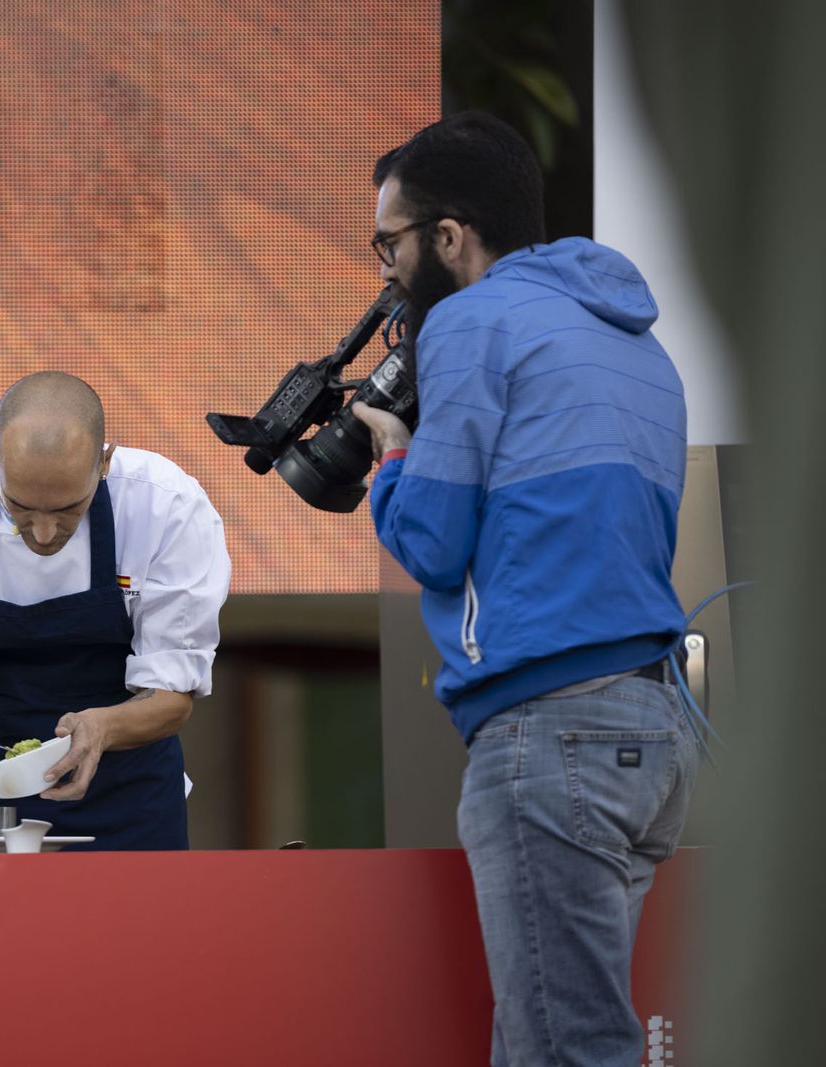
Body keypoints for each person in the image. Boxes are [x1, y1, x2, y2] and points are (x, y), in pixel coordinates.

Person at [350, 112, 697, 1066]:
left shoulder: (469, 320)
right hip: (649, 732)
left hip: (550, 735)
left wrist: (390, 456)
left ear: (449, 237)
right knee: (542, 1037)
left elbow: (433, 535)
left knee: (566, 1046)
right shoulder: (638, 345)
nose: (384, 268)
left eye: (390, 242)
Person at [0, 372, 230, 849]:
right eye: (19, 506)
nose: (42, 534)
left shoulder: (167, 507)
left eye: (67, 510)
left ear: (105, 462)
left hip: (134, 809)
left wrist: (102, 727)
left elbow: (171, 692)